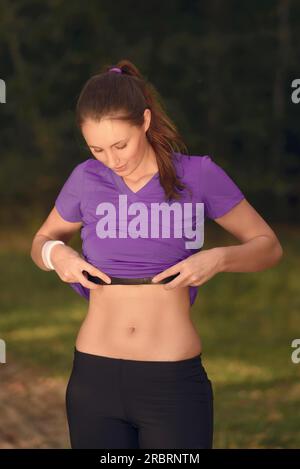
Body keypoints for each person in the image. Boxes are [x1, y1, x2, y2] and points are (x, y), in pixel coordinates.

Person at [30, 59, 283, 449]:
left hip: (172, 382)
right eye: (97, 148)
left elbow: (268, 247)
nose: (112, 160)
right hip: (93, 378)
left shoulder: (197, 175)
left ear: (144, 122)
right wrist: (55, 254)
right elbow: (42, 239)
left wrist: (215, 259)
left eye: (120, 145)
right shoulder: (85, 178)